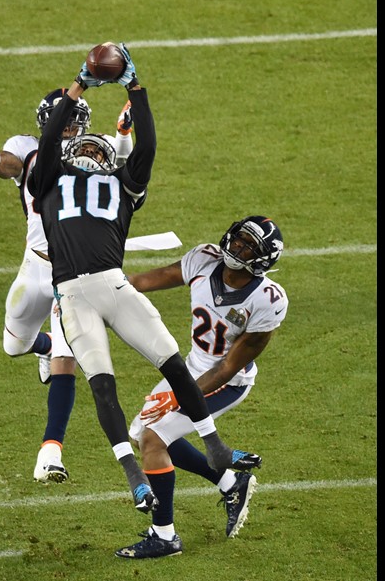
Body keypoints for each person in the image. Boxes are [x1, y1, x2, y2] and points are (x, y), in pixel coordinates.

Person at [27, 42, 262, 536]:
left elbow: (148, 145)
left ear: (111, 159)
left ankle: (214, 445)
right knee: (103, 385)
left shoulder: (123, 185)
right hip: (71, 294)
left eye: (100, 149)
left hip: (112, 284)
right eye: (85, 148)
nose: (93, 151)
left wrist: (136, 87)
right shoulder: (49, 177)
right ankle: (132, 472)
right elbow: (49, 141)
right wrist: (79, 86)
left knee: (171, 361)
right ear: (72, 154)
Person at [0, 91, 134, 483]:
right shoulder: (29, 151)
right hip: (35, 266)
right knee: (14, 346)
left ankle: (50, 452)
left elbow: (128, 160)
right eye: (62, 123)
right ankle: (42, 348)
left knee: (69, 360)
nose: (69, 130)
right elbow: (1, 163)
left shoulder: (95, 150)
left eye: (74, 123)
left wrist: (125, 132)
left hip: (75, 271)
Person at [115, 216, 287, 558]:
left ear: (263, 259)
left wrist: (178, 395)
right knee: (142, 432)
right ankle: (230, 483)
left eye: (248, 246)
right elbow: (152, 278)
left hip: (228, 382)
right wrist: (110, 289)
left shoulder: (267, 299)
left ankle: (164, 536)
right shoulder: (204, 259)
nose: (237, 247)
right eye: (238, 238)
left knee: (152, 438)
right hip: (190, 366)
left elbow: (226, 368)